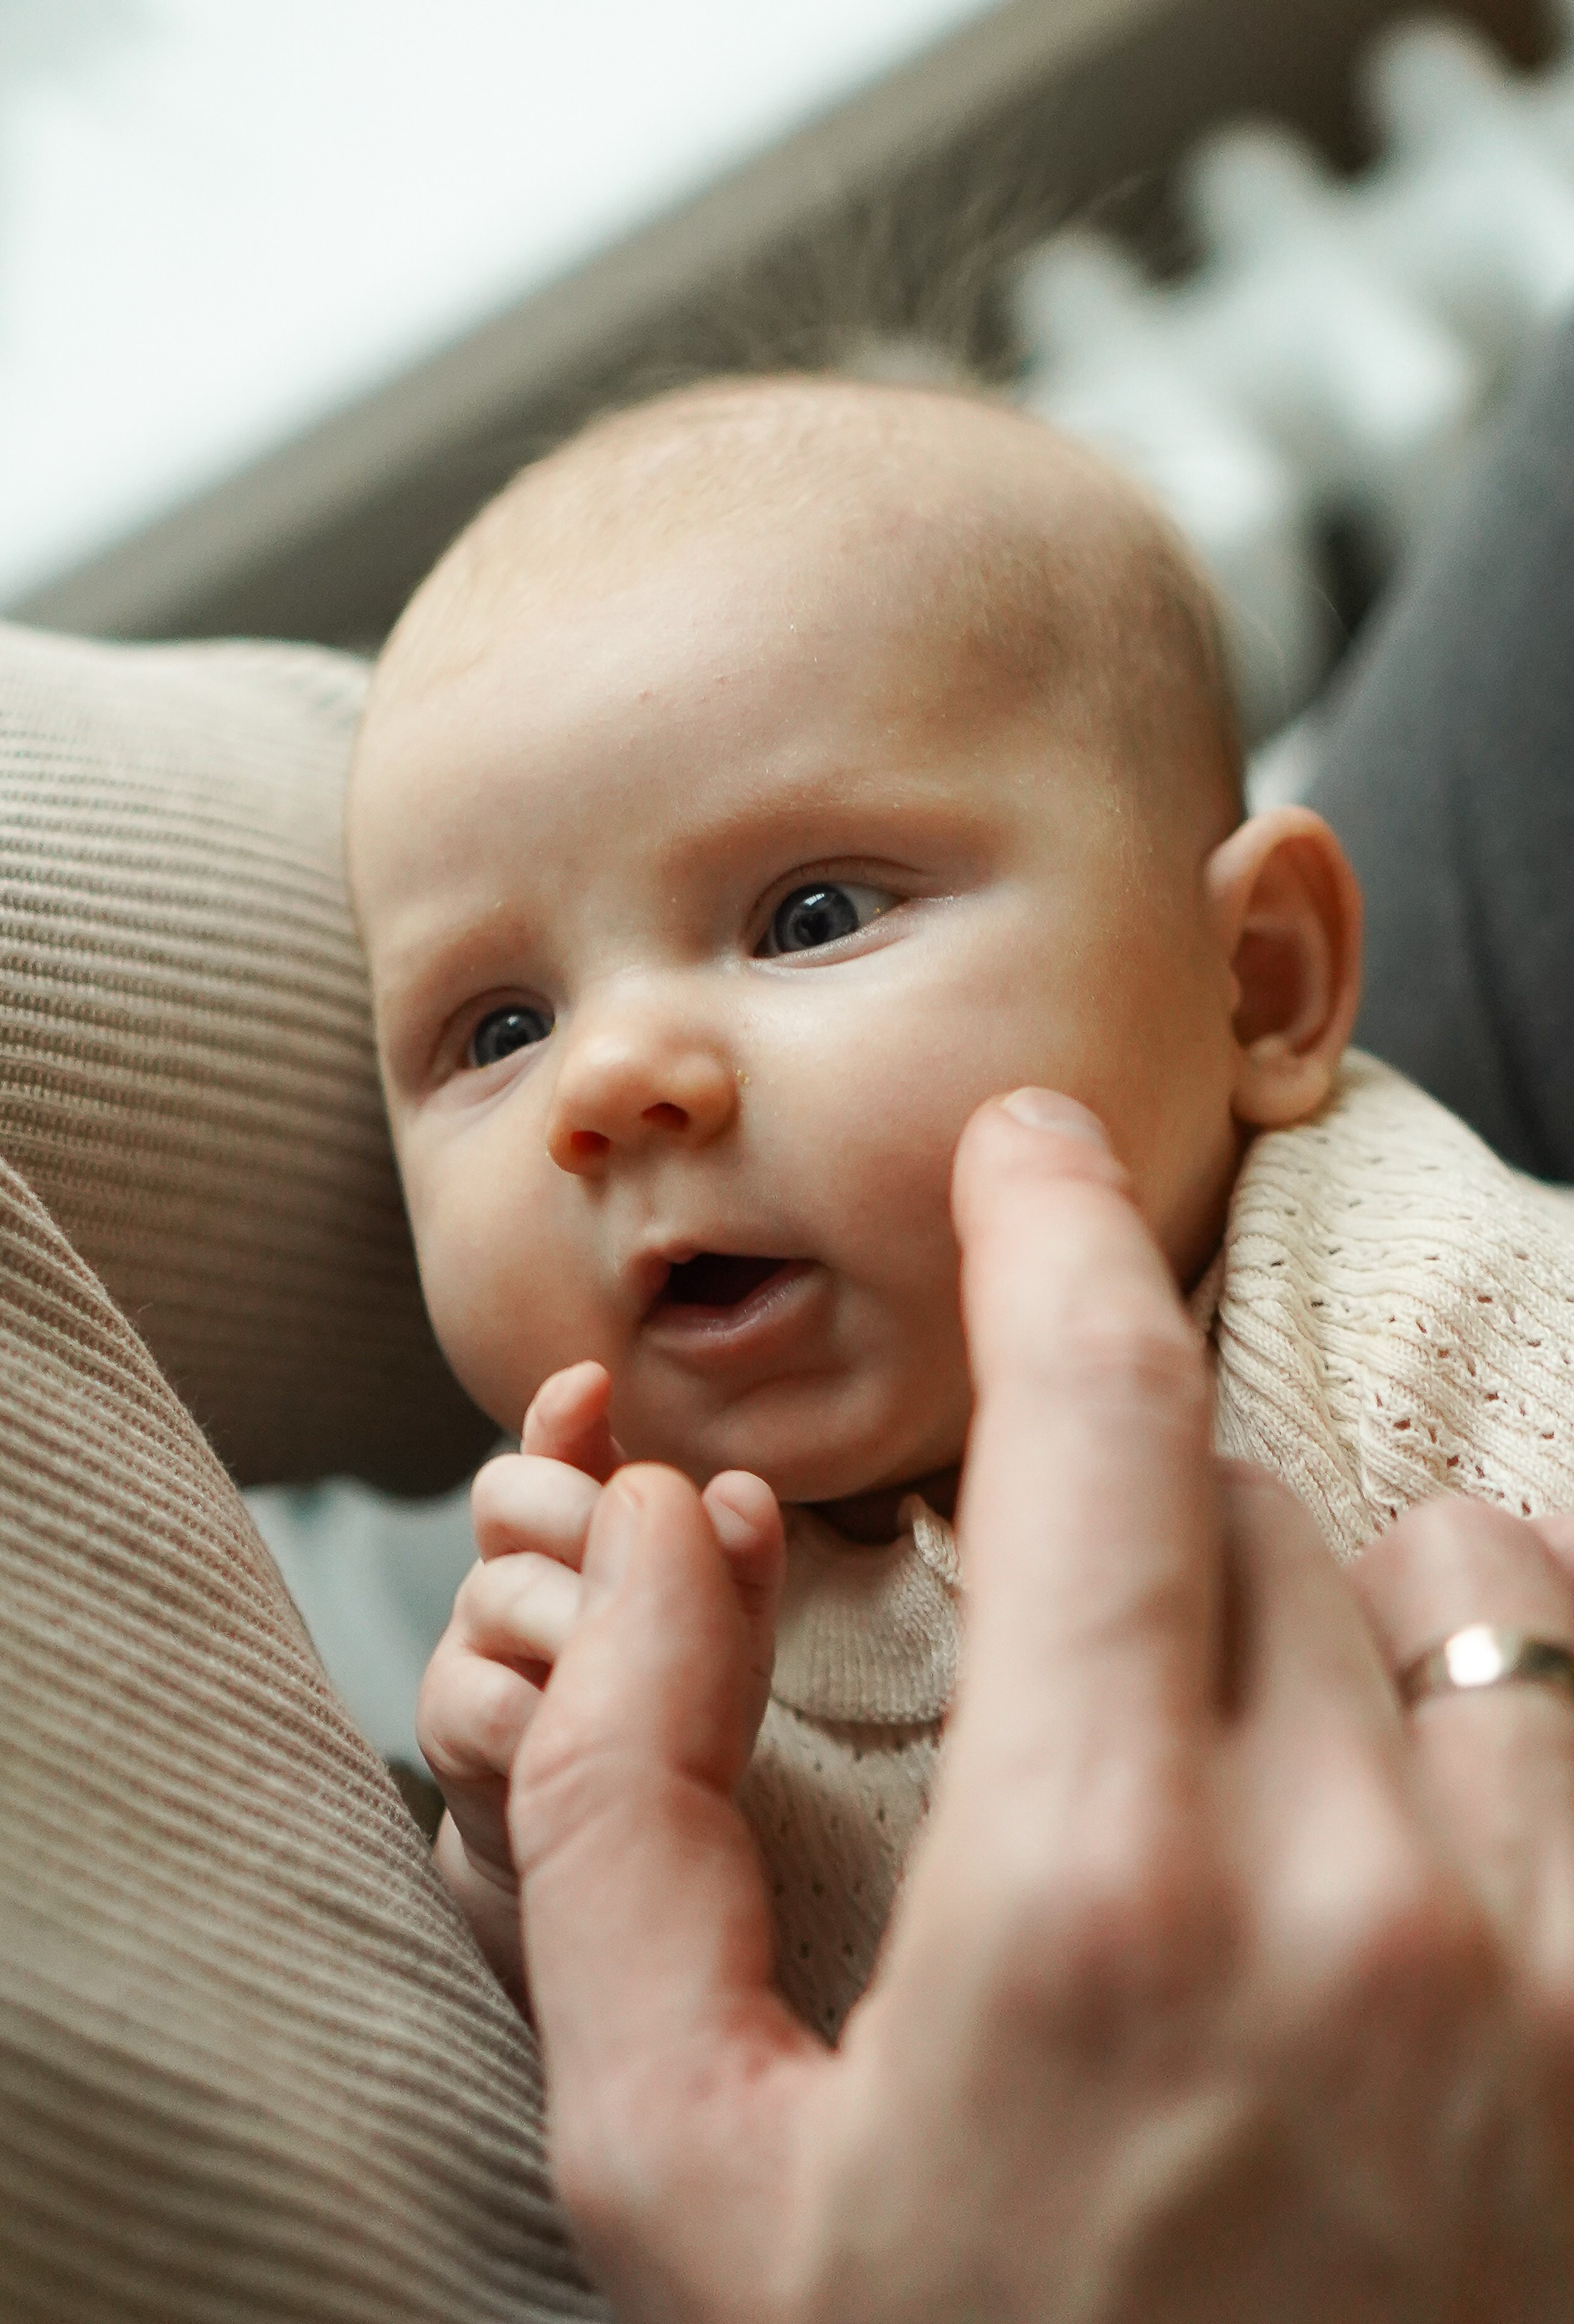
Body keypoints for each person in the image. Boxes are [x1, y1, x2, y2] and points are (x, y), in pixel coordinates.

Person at [347, 367, 1574, 2054]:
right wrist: (513, 1861)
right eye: (498, 1030)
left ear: (1260, 983)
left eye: (809, 915)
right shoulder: (646, 1645)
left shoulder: (1393, 1294)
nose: (610, 1081)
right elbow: (597, 2122)